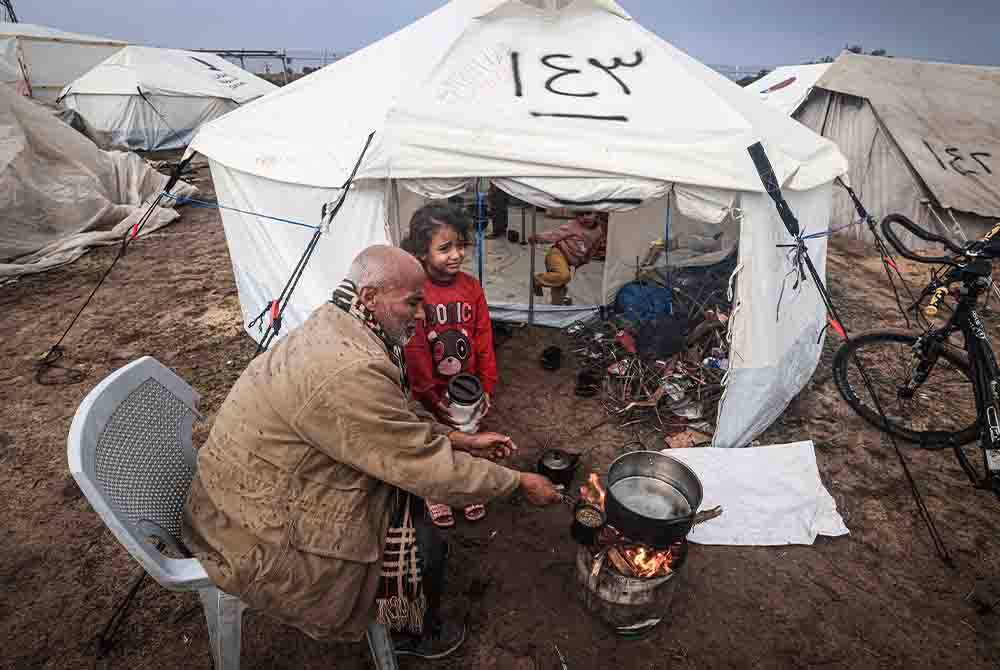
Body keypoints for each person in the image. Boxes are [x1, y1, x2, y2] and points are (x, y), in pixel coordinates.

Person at [182, 245, 562, 659]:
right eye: (413, 303)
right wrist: (518, 482)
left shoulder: (341, 321)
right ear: (370, 297)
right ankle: (411, 633)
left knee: (413, 504)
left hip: (249, 484)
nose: (421, 314)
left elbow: (390, 413)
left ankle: (409, 620)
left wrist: (460, 439)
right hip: (254, 525)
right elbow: (425, 466)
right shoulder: (350, 367)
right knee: (422, 534)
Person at [401, 204, 497, 528]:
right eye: (445, 248)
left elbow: (483, 338)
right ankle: (436, 491)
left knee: (469, 434)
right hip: (429, 390)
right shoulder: (416, 291)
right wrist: (428, 394)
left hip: (465, 386)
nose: (456, 255)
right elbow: (415, 350)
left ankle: (465, 488)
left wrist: (486, 385)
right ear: (421, 252)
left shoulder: (471, 288)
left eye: (460, 246)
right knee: (433, 439)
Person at [529, 211, 607, 305]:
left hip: (569, 262)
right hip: (557, 254)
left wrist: (585, 259)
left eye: (588, 213)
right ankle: (537, 280)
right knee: (564, 276)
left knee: (559, 286)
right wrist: (538, 238)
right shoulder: (573, 225)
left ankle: (556, 307)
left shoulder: (598, 232)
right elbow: (555, 234)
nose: (584, 217)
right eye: (580, 214)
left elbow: (593, 247)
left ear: (596, 214)